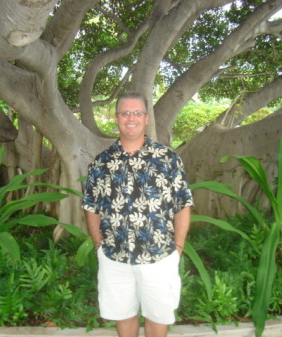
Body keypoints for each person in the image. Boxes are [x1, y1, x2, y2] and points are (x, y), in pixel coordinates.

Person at [82, 91, 194, 337]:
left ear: (146, 118)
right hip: (115, 259)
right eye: (125, 113)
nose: (130, 118)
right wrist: (99, 246)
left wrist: (178, 246)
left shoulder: (167, 159)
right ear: (116, 118)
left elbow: (182, 204)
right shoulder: (101, 163)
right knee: (123, 316)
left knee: (157, 318)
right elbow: (91, 206)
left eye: (136, 113)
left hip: (160, 257)